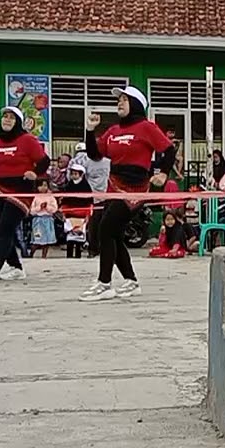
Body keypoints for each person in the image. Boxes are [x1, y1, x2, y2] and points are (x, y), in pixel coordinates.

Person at [79, 86, 175, 302]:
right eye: (118, 100)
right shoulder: (112, 131)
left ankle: (104, 283)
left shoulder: (146, 127)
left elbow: (168, 149)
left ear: (137, 104)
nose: (119, 103)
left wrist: (164, 174)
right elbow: (95, 155)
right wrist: (89, 130)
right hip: (113, 185)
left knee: (106, 228)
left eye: (125, 99)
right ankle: (131, 281)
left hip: (135, 187)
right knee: (110, 232)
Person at [0, 106, 48, 283]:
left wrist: (35, 174)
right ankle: (16, 267)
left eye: (11, 118)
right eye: (4, 117)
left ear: (18, 122)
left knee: (6, 227)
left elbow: (44, 161)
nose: (6, 120)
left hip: (21, 191)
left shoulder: (28, 140)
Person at [61, 162, 93, 259]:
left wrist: (88, 216)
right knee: (70, 237)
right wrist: (63, 213)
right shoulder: (68, 186)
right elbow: (65, 201)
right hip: (70, 215)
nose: (73, 176)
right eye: (72, 174)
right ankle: (69, 256)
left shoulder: (86, 187)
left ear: (81, 175)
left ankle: (78, 256)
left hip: (82, 215)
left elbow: (89, 202)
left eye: (76, 174)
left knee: (79, 238)